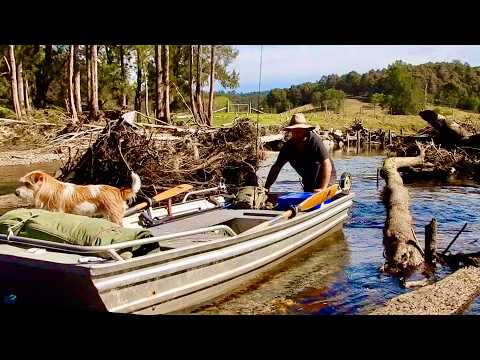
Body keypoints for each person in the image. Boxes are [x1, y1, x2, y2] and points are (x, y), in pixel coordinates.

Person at [265, 113, 336, 193]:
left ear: (305, 130)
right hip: (309, 180)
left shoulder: (314, 141)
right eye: (294, 131)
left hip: (327, 178)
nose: (297, 133)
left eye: (300, 130)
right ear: (291, 131)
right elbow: (276, 167)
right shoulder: (288, 147)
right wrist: (266, 187)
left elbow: (327, 164)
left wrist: (322, 189)